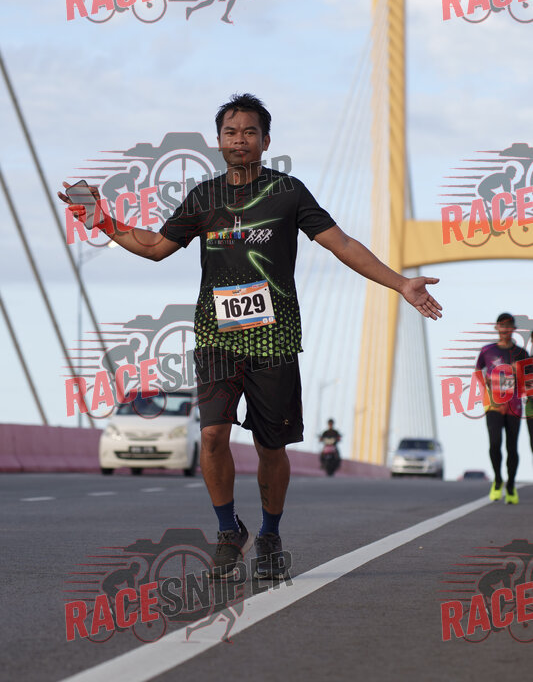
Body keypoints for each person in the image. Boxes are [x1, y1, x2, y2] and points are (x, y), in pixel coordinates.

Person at [58, 93, 442, 580]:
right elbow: (155, 247)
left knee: (270, 447)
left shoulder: (289, 193)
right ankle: (227, 531)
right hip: (215, 337)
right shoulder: (204, 198)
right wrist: (102, 219)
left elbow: (342, 243)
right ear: (218, 141)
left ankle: (270, 533)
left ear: (266, 141)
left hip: (274, 340)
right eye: (230, 132)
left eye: (249, 132)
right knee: (212, 435)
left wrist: (400, 283)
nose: (239, 140)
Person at [475, 313, 528, 504]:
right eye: (502, 325)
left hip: (514, 405)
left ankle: (511, 485)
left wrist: (516, 371)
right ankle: (498, 480)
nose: (505, 329)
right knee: (495, 443)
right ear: (497, 328)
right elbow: (478, 371)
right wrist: (486, 385)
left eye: (508, 325)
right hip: (493, 404)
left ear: (513, 329)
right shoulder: (487, 350)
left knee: (512, 447)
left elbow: (528, 381)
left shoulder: (521, 353)